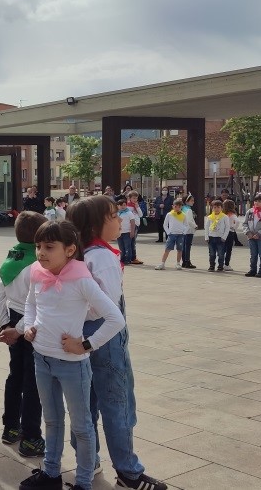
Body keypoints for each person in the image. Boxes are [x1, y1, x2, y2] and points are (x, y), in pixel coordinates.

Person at [66, 196, 168, 490]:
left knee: (84, 404)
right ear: (95, 225)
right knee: (118, 404)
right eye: (113, 216)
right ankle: (128, 472)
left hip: (78, 337)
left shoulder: (76, 254)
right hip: (106, 339)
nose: (120, 220)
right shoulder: (102, 257)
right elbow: (108, 309)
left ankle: (88, 460)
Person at [18, 220, 126, 490]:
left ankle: (84, 482)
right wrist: (29, 326)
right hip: (41, 359)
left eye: (49, 247)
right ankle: (51, 474)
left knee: (82, 426)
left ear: (69, 250)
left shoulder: (81, 280)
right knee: (52, 420)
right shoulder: (37, 273)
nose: (41, 253)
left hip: (72, 366)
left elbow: (115, 318)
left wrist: (86, 345)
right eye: (38, 246)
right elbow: (30, 304)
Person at [0, 211, 47, 458]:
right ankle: (31, 437)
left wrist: (5, 325)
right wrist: (19, 330)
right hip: (31, 325)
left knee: (15, 376)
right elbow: (38, 303)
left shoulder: (11, 259)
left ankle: (10, 427)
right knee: (32, 381)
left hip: (13, 320)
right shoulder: (37, 265)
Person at [242, 194, 261, 278]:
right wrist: (248, 232)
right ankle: (252, 270)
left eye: (259, 201)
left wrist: (259, 234)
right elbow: (245, 223)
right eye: (255, 201)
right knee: (253, 254)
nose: (257, 203)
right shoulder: (250, 211)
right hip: (251, 236)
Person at [154, 199, 187, 270]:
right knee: (167, 249)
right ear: (173, 206)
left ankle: (178, 263)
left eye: (179, 207)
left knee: (180, 249)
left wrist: (184, 232)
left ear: (181, 207)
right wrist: (168, 233)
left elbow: (186, 225)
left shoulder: (183, 215)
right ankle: (162, 263)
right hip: (172, 234)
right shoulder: (169, 214)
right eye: (175, 206)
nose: (177, 208)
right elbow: (165, 224)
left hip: (180, 235)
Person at [204, 199, 229, 272]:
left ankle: (220, 266)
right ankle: (212, 266)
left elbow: (227, 227)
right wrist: (206, 237)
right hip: (211, 238)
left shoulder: (224, 217)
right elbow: (206, 227)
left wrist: (224, 237)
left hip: (220, 238)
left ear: (221, 208)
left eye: (218, 207)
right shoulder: (209, 217)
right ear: (212, 208)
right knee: (212, 254)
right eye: (214, 207)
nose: (216, 209)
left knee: (221, 254)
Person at [115, 197, 137, 266]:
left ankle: (128, 259)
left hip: (127, 232)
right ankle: (122, 259)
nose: (123, 206)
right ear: (118, 206)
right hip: (119, 233)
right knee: (121, 247)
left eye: (124, 205)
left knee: (128, 246)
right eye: (121, 205)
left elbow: (133, 222)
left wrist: (132, 231)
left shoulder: (129, 213)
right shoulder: (116, 213)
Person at [180, 195, 198, 268]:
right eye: (191, 201)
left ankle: (184, 262)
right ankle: (187, 262)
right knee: (187, 246)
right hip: (189, 230)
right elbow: (190, 221)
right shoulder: (189, 210)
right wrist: (195, 226)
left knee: (184, 246)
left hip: (183, 230)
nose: (193, 202)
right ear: (186, 201)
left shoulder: (183, 208)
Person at [126, 191, 144, 265]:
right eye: (133, 198)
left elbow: (141, 215)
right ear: (130, 198)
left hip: (136, 225)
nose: (135, 200)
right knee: (131, 242)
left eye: (136, 198)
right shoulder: (127, 205)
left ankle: (132, 257)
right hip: (130, 225)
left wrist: (137, 207)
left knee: (133, 242)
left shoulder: (136, 205)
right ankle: (131, 257)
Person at [222, 199, 239, 271]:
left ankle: (220, 263)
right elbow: (237, 222)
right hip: (230, 232)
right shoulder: (233, 215)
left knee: (222, 248)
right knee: (228, 249)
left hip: (222, 233)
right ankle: (226, 264)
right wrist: (234, 228)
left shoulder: (222, 214)